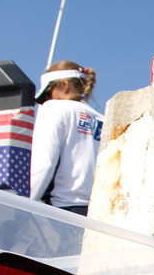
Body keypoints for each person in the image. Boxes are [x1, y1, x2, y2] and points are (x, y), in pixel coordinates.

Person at [28, 61, 103, 214]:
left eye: (48, 93)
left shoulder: (53, 108)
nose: (47, 99)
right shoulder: (103, 119)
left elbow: (44, 165)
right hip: (99, 213)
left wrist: (24, 205)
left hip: (62, 212)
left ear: (64, 85)